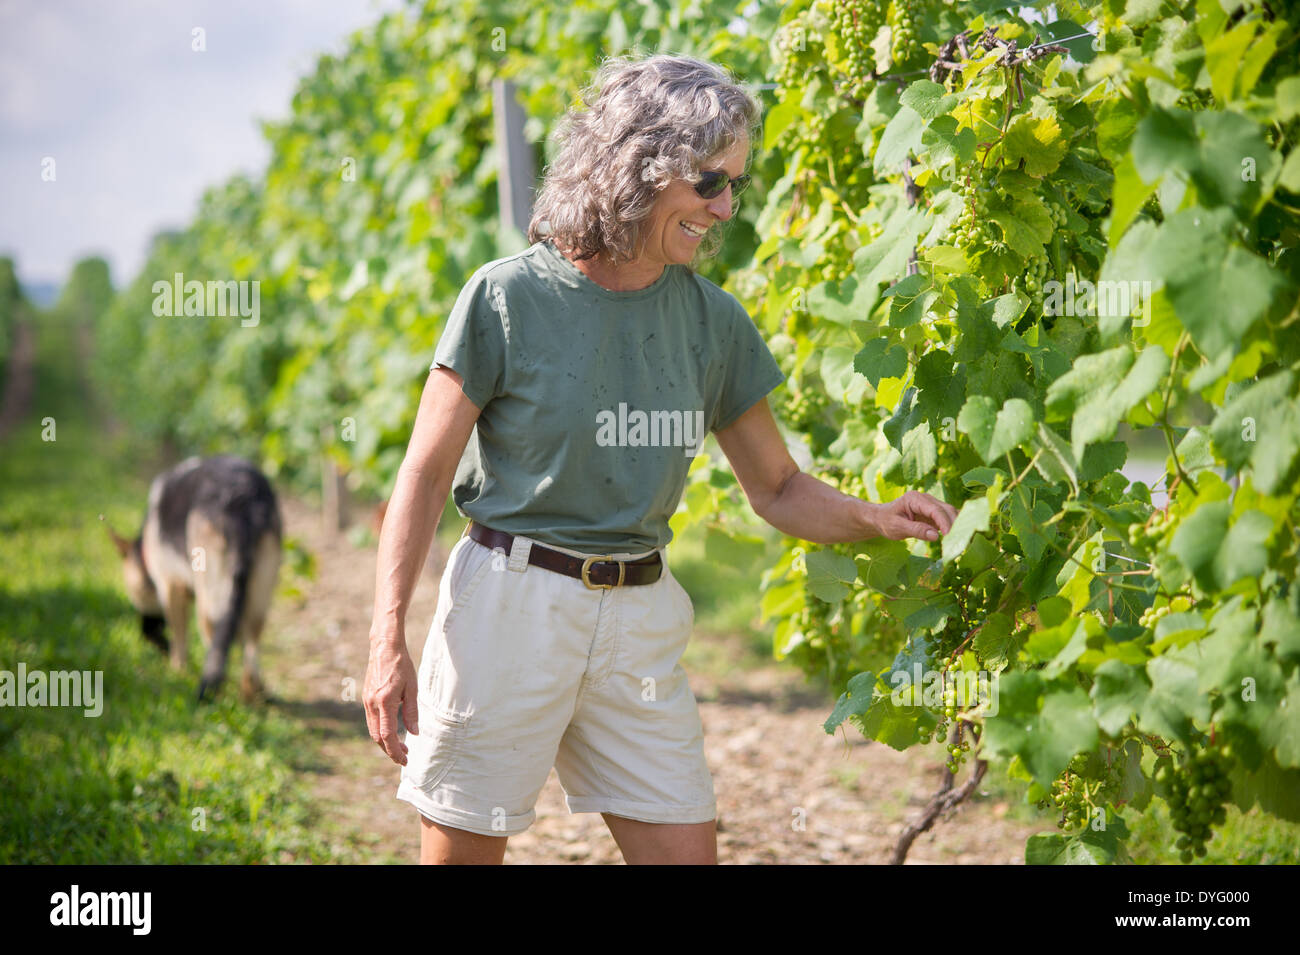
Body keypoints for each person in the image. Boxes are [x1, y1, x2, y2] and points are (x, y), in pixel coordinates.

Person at [363, 52, 957, 865]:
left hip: (639, 618)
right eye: (710, 182)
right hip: (510, 611)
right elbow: (425, 475)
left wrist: (876, 518)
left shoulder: (713, 324)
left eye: (735, 186)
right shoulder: (507, 298)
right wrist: (385, 633)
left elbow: (777, 487)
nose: (725, 208)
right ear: (639, 164)